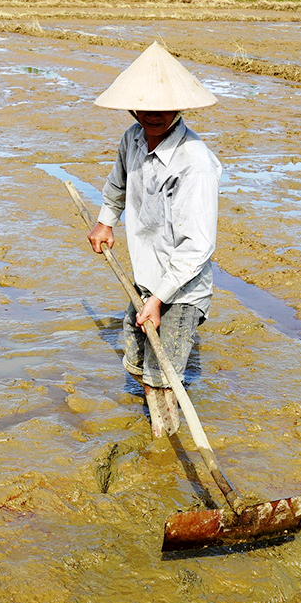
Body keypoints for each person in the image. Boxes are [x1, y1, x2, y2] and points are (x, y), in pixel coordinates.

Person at [86, 42, 221, 438]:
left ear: (180, 108)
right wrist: (105, 222)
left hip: (179, 288)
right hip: (146, 275)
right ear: (132, 108)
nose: (154, 114)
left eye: (164, 107)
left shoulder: (194, 163)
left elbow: (197, 245)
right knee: (138, 359)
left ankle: (163, 439)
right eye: (145, 107)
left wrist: (159, 299)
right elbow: (117, 185)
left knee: (164, 373)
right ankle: (152, 423)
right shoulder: (132, 138)